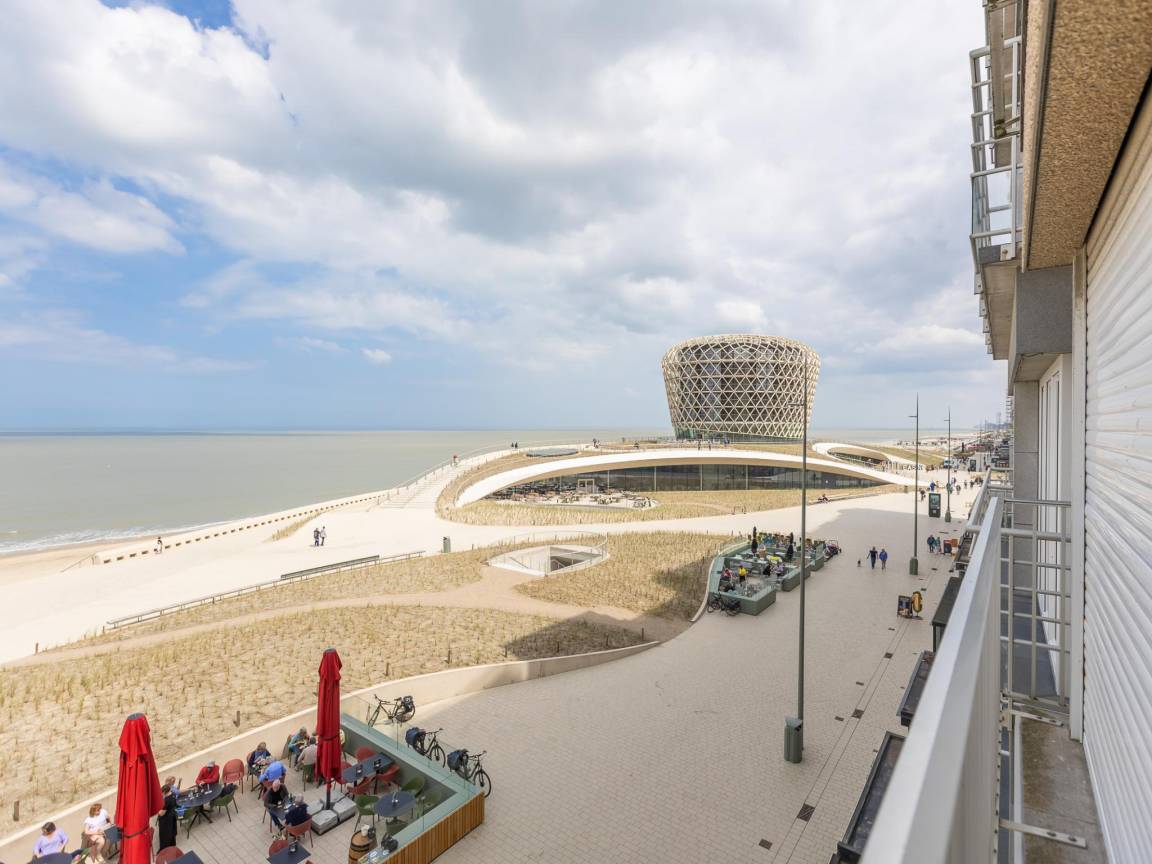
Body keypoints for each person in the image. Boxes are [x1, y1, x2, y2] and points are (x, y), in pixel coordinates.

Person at [157, 783, 178, 851]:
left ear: (164, 792)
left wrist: (157, 810)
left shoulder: (166, 800)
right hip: (172, 816)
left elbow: (161, 813)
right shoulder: (173, 794)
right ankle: (172, 846)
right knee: (171, 833)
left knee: (165, 835)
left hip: (166, 820)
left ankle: (164, 849)